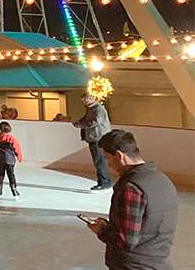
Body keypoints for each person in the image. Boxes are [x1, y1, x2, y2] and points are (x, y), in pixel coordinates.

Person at [87, 129, 177, 270]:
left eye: (107, 157)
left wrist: (101, 230)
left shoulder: (132, 188)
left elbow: (125, 239)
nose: (107, 164)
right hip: (158, 261)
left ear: (119, 156)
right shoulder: (162, 179)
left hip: (133, 265)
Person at [74, 94, 113, 190]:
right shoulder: (90, 108)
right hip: (93, 137)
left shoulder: (99, 109)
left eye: (86, 100)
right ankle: (103, 181)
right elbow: (87, 119)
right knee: (98, 161)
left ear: (92, 99)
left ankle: (104, 182)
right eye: (83, 101)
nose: (85, 103)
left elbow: (96, 121)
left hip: (98, 137)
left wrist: (82, 125)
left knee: (99, 160)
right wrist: (79, 122)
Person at [0, 120, 23, 199]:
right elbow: (16, 148)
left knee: (0, 174)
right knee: (11, 175)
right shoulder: (10, 138)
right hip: (9, 160)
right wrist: (19, 157)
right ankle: (14, 190)